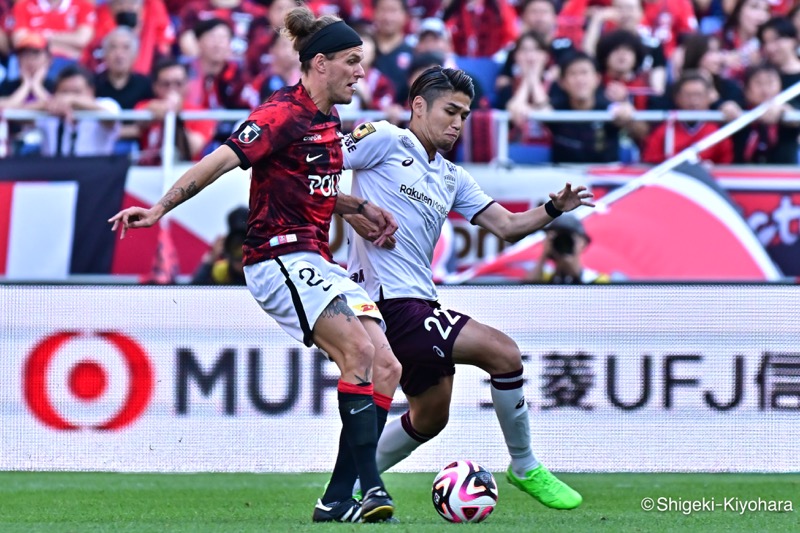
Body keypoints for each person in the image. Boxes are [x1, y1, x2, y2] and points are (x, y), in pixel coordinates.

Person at [108, 7, 402, 523]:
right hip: (277, 255)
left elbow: (304, 187)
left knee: (386, 366)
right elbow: (221, 159)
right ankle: (372, 489)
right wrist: (158, 209)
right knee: (357, 351)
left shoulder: (328, 119)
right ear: (319, 64)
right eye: (352, 61)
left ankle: (334, 500)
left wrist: (355, 208)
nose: (361, 72)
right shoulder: (279, 115)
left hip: (315, 257)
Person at [339, 66, 592, 509]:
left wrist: (553, 208)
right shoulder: (382, 137)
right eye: (450, 111)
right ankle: (525, 464)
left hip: (419, 300)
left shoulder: (452, 176)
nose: (458, 123)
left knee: (430, 417)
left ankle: (352, 483)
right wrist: (350, 208)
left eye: (465, 115)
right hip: (386, 303)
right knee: (504, 353)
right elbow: (312, 171)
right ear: (419, 106)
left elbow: (509, 226)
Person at [526, 213, 611, 284]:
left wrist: (571, 267)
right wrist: (544, 254)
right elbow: (526, 292)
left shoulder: (597, 281)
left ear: (583, 243)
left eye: (568, 238)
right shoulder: (544, 277)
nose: (563, 243)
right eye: (558, 239)